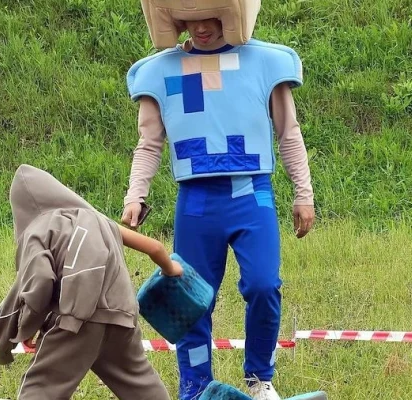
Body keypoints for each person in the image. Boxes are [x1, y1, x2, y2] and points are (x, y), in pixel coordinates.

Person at [122, 1, 316, 399]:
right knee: (190, 297)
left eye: (209, 16)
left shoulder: (266, 63)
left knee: (264, 285)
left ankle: (260, 379)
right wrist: (135, 194)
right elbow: (149, 143)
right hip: (196, 201)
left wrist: (304, 193)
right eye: (190, 18)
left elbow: (289, 132)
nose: (200, 27)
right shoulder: (159, 71)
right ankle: (195, 388)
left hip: (251, 193)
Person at [0, 164, 182, 400]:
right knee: (139, 383)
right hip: (122, 316)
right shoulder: (100, 221)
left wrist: (28, 324)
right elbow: (155, 247)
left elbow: (39, 280)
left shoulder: (39, 229)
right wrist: (171, 269)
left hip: (78, 319)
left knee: (42, 386)